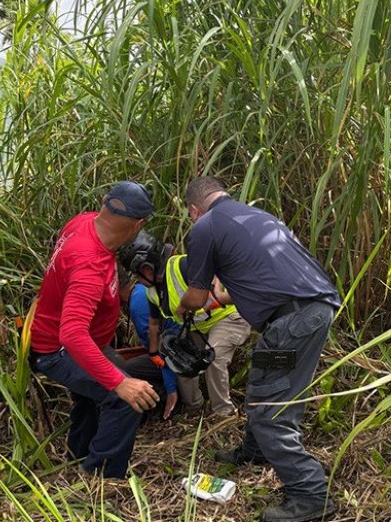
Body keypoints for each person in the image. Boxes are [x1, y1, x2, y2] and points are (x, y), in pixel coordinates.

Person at [175, 177, 340, 522]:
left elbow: (195, 294)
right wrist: (219, 301)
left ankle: (311, 495)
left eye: (191, 215)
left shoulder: (206, 226)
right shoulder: (256, 216)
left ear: (194, 209)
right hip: (310, 312)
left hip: (291, 323)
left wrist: (183, 308)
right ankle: (255, 452)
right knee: (262, 383)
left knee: (270, 406)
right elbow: (259, 280)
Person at [28, 181, 160, 479]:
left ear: (105, 203)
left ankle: (79, 455)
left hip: (79, 341)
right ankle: (101, 477)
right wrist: (120, 384)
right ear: (138, 225)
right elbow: (72, 334)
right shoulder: (89, 265)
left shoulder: (85, 221)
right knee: (126, 399)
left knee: (92, 395)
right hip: (57, 350)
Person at [119, 232, 252, 417]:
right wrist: (155, 353)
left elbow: (217, 272)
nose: (138, 280)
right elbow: (154, 324)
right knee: (181, 361)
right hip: (200, 327)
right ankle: (193, 410)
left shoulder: (181, 265)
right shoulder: (153, 293)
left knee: (215, 357)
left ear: (147, 267)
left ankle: (223, 413)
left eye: (138, 274)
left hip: (227, 317)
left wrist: (212, 294)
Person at [116, 267, 179, 421]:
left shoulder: (138, 303)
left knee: (128, 368)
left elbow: (160, 349)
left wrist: (171, 389)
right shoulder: (139, 290)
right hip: (177, 347)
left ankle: (165, 400)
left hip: (177, 353)